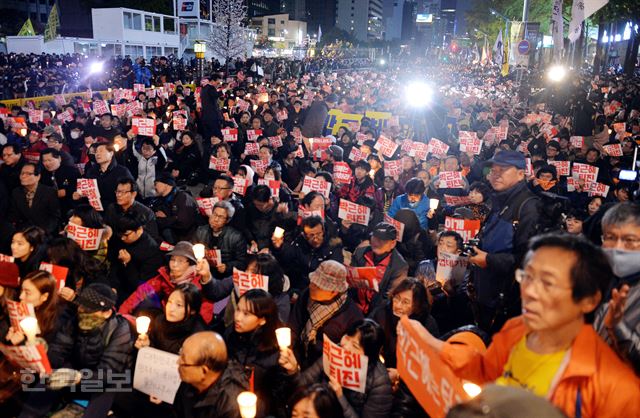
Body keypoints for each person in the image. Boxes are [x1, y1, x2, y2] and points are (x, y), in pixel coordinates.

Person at [415, 233, 640, 417]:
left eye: (548, 283)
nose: (530, 292)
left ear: (589, 300)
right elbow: (486, 373)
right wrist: (436, 347)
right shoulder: (517, 329)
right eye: (528, 277)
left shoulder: (617, 391)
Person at [25, 283, 134, 417]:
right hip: (79, 369)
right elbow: (59, 349)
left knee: (105, 392)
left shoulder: (120, 331)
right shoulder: (74, 321)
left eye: (89, 310)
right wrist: (43, 353)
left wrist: (78, 377)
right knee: (48, 379)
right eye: (81, 305)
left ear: (106, 313)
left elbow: (108, 372)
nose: (82, 311)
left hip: (107, 379)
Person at [468, 150, 541, 334]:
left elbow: (528, 262)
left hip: (507, 304)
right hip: (486, 294)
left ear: (520, 173)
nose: (495, 174)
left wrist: (489, 260)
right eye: (493, 170)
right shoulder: (499, 201)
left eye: (503, 169)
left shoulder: (529, 208)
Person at [280, 319, 393, 418]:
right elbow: (304, 385)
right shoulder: (335, 352)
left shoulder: (379, 381)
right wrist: (293, 371)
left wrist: (340, 396)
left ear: (368, 355)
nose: (345, 346)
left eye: (355, 346)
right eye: (347, 337)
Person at [119, 241, 230, 324]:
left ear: (190, 264)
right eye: (173, 259)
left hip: (187, 323)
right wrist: (122, 313)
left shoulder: (199, 283)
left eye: (180, 261)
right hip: (167, 314)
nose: (174, 265)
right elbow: (141, 292)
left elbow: (204, 314)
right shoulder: (165, 275)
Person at [289, 260, 364, 368]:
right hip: (298, 358)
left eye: (317, 286)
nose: (311, 287)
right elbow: (294, 325)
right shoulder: (307, 294)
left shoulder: (352, 316)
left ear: (334, 292)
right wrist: (289, 350)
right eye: (312, 282)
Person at [594, 202, 640, 374]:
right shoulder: (603, 277)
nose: (618, 248)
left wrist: (617, 326)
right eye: (610, 237)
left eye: (629, 240)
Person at [225, 289, 286, 417]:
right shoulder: (230, 333)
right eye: (238, 310)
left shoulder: (275, 351)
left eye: (246, 314)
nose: (238, 317)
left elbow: (277, 397)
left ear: (263, 320)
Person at [174, 331, 248, 418]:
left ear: (204, 371)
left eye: (184, 361)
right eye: (180, 353)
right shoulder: (190, 380)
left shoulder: (230, 404)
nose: (178, 362)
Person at [369, 278, 438, 370]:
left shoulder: (427, 324)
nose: (398, 306)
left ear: (417, 306)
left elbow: (430, 362)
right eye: (397, 298)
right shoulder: (382, 313)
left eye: (405, 302)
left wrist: (398, 374)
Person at [271, 215, 344, 291]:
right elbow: (287, 257)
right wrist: (279, 248)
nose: (315, 239)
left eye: (319, 234)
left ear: (323, 231)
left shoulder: (333, 246)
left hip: (324, 287)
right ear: (304, 235)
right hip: (302, 286)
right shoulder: (299, 244)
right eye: (311, 235)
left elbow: (335, 271)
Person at [350, 222, 409, 314]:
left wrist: (371, 318)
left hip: (377, 313)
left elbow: (388, 299)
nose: (377, 243)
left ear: (393, 243)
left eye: (383, 240)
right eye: (375, 238)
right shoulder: (360, 253)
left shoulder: (399, 266)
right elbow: (351, 282)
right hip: (354, 306)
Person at [109, 213, 164, 302]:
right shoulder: (121, 239)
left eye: (126, 235)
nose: (122, 238)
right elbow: (114, 264)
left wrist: (128, 263)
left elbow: (141, 285)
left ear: (139, 229)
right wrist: (113, 286)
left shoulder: (151, 250)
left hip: (135, 293)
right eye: (120, 235)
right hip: (116, 283)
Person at [193, 200, 248, 279]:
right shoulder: (200, 231)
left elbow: (242, 262)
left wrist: (227, 267)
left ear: (227, 220)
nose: (215, 219)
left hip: (225, 276)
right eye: (214, 214)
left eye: (221, 217)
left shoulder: (236, 237)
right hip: (203, 271)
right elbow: (191, 250)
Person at [9, 162, 61, 234]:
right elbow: (14, 216)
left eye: (28, 174)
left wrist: (44, 232)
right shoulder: (16, 192)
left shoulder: (49, 192)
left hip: (44, 233)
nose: (23, 176)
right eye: (22, 173)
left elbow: (54, 217)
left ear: (38, 177)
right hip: (24, 233)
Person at [81, 142, 134, 208]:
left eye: (101, 151)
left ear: (111, 153)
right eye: (96, 152)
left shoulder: (122, 172)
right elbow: (88, 192)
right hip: (95, 211)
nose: (97, 154)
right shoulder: (91, 171)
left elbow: (132, 192)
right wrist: (81, 194)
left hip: (116, 211)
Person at [151, 172, 199, 244]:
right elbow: (156, 220)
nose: (154, 187)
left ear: (166, 184)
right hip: (168, 239)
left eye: (156, 184)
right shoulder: (158, 200)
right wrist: (172, 219)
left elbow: (184, 223)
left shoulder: (183, 197)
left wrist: (166, 219)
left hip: (187, 240)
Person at [200, 75, 223, 141]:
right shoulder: (211, 88)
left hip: (205, 117)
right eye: (217, 83)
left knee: (208, 137)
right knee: (216, 136)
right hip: (212, 117)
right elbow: (215, 95)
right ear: (212, 81)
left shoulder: (203, 89)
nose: (218, 85)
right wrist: (225, 89)